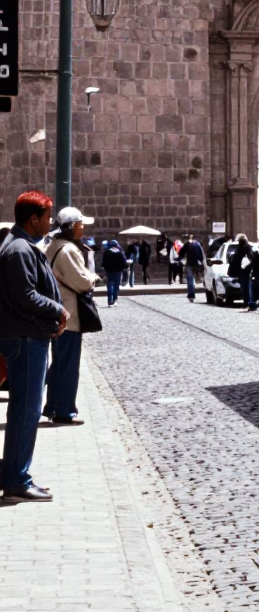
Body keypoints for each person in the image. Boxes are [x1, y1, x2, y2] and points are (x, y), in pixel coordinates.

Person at [0, 191, 69, 502]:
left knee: (25, 410)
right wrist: (58, 310)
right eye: (47, 217)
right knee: (26, 411)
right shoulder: (19, 250)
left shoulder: (21, 246)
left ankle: (16, 473)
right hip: (25, 340)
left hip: (27, 337)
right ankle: (16, 479)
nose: (51, 222)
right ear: (33, 219)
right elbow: (25, 295)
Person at [44, 207, 100, 424]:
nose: (83, 228)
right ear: (72, 227)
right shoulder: (68, 250)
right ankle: (64, 410)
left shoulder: (55, 246)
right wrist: (93, 278)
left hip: (60, 313)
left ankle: (53, 407)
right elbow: (82, 281)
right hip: (70, 316)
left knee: (59, 363)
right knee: (67, 365)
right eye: (80, 224)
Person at [178, 234, 205, 303]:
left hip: (189, 264)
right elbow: (202, 255)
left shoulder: (187, 244)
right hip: (197, 264)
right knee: (195, 277)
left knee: (190, 279)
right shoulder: (198, 245)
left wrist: (181, 258)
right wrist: (202, 263)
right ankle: (196, 284)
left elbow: (181, 253)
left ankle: (191, 295)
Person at [228, 235, 253, 306]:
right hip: (249, 271)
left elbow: (235, 261)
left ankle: (246, 301)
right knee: (248, 288)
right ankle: (249, 301)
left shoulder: (239, 249)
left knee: (244, 288)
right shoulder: (249, 248)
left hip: (243, 272)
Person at [102, 239, 127, 306]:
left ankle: (109, 301)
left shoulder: (106, 252)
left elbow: (104, 263)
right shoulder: (120, 252)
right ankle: (115, 299)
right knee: (116, 286)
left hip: (109, 271)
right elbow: (124, 262)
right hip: (118, 272)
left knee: (109, 286)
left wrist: (106, 269)